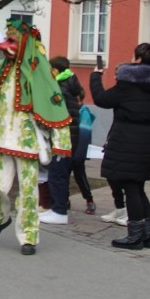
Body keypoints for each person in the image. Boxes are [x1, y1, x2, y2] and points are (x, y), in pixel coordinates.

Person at [0, 21, 72, 255]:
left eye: (13, 41)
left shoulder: (39, 72)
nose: (6, 46)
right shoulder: (2, 68)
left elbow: (55, 106)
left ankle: (28, 236)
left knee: (28, 191)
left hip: (26, 140)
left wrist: (61, 142)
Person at [91, 43, 150, 250]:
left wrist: (96, 76)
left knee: (131, 189)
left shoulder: (126, 84)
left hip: (125, 142)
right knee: (138, 188)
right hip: (148, 143)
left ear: (138, 59)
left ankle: (135, 237)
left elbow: (102, 100)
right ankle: (146, 235)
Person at [42, 56, 86, 225]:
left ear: (56, 70)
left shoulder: (60, 88)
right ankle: (60, 206)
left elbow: (55, 112)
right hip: (69, 137)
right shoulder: (69, 85)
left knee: (57, 174)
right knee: (60, 174)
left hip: (63, 138)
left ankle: (59, 210)